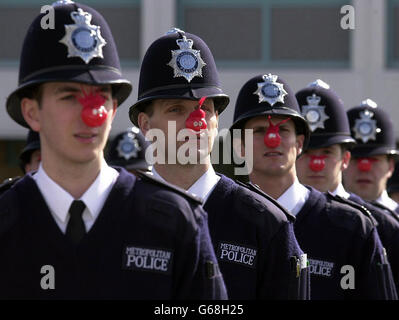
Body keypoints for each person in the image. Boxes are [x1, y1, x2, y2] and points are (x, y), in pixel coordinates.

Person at [0, 2, 226, 299]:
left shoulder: (176, 220)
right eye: (69, 96)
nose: (91, 113)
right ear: (32, 112)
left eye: (101, 97)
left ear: (114, 107)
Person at [129, 29, 310, 300]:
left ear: (216, 121)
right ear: (145, 124)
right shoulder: (119, 213)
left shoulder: (266, 224)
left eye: (205, 110)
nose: (195, 122)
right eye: (176, 109)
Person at [231, 73, 395, 299]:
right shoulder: (215, 215)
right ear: (239, 146)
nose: (273, 139)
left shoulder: (353, 227)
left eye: (283, 130)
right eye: (260, 131)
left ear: (299, 144)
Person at [295, 80, 399, 295]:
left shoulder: (378, 225)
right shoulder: (270, 217)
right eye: (307, 152)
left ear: (345, 158)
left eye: (327, 153)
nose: (317, 163)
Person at [343, 99, 399, 217]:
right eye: (355, 159)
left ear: (391, 166)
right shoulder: (324, 216)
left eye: (374, 160)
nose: (364, 168)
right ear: (343, 160)